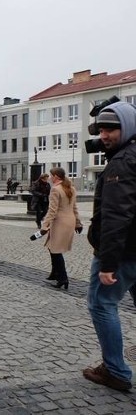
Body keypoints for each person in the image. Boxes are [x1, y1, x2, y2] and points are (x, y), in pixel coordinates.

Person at [84, 102, 136, 391]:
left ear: (127, 127)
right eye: (101, 129)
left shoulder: (122, 162)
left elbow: (117, 215)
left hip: (123, 253)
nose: (104, 135)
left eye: (111, 129)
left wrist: (107, 263)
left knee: (102, 305)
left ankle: (115, 370)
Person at [39, 167, 82, 289]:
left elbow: (52, 211)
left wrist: (44, 226)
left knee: (56, 250)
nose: (51, 178)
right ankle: (55, 273)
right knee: (51, 246)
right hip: (69, 221)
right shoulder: (71, 188)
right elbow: (74, 208)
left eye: (52, 176)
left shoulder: (55, 189)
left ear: (56, 176)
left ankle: (63, 278)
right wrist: (78, 223)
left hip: (59, 222)